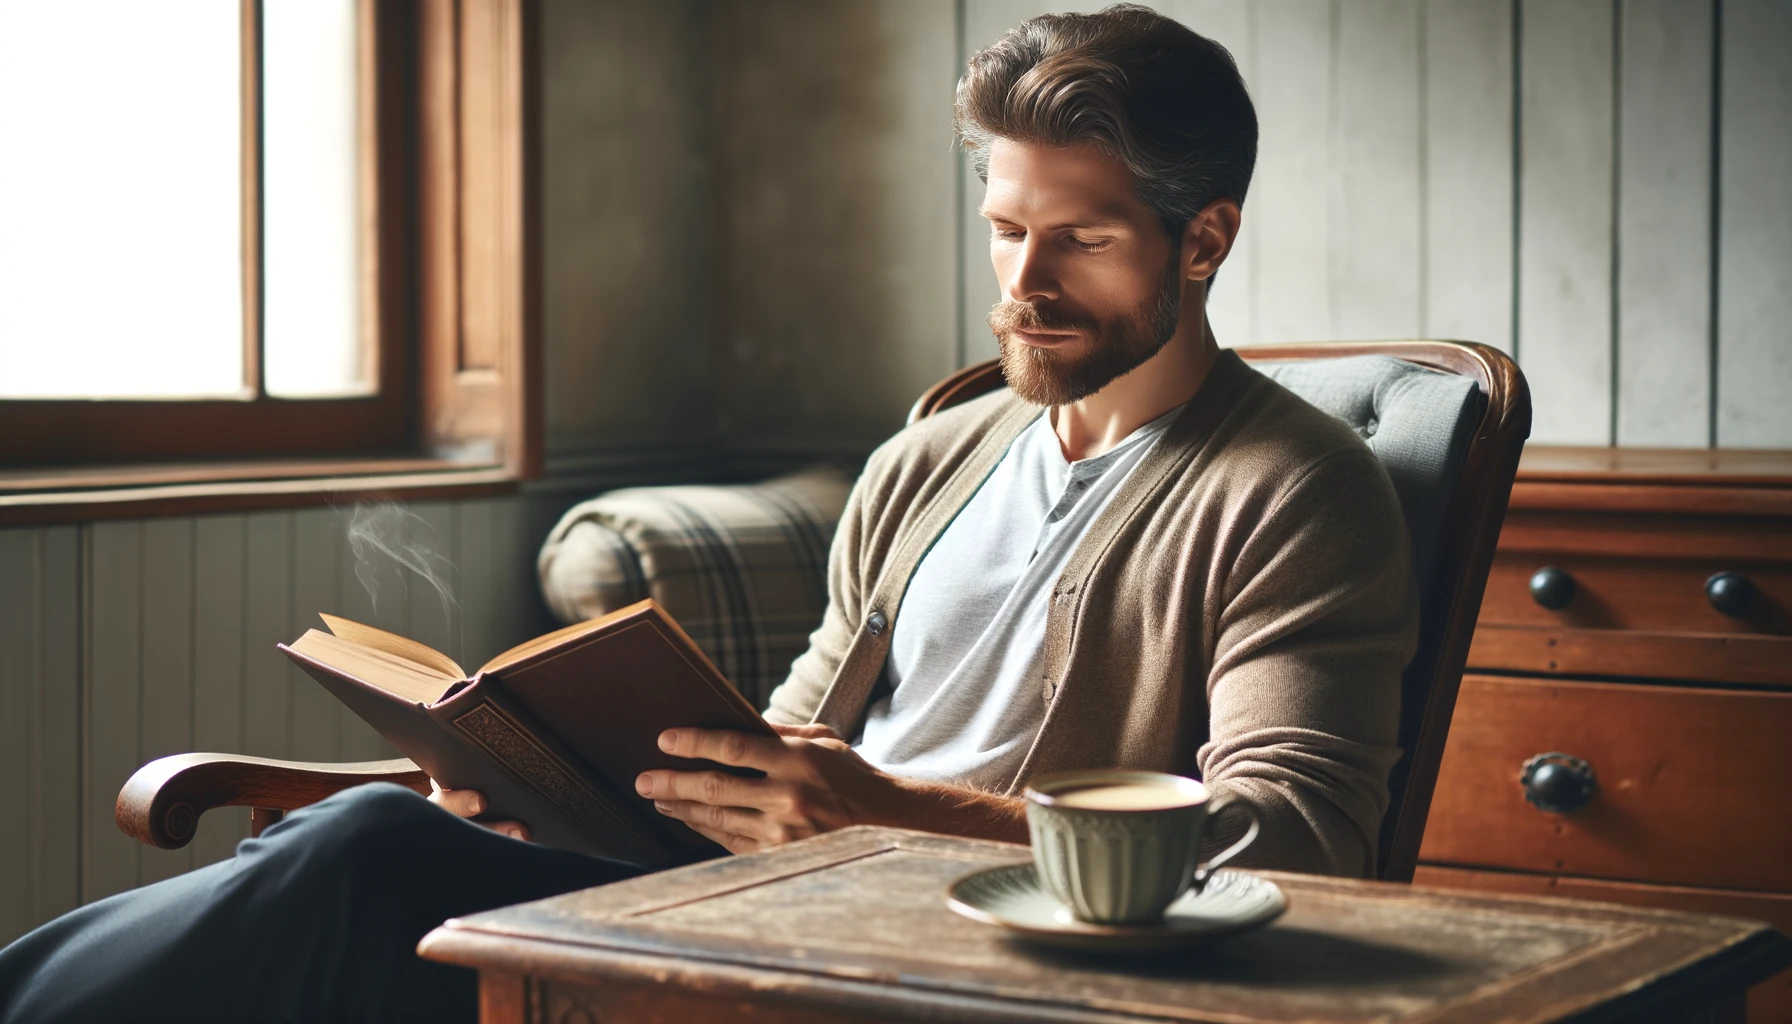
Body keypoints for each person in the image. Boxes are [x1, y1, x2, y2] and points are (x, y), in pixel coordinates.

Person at [0, 6, 1416, 1022]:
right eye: (1005, 228)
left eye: (1083, 238)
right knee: (333, 851)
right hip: (752, 909)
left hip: (949, 962)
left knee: (354, 875)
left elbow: (1292, 843)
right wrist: (556, 781)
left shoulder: (1294, 491)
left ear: (1205, 238)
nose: (1024, 281)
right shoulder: (935, 454)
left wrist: (892, 819)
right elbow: (788, 740)